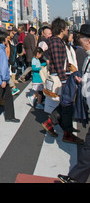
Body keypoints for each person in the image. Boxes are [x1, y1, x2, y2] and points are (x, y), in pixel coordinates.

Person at [42, 17, 83, 145]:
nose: (67, 30)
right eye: (65, 28)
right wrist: (65, 80)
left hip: (63, 76)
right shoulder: (56, 42)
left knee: (65, 104)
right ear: (61, 29)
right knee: (67, 106)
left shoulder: (57, 41)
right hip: (61, 77)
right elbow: (59, 63)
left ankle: (53, 124)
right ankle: (67, 133)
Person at [58, 23, 90, 183]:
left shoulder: (83, 55)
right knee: (88, 148)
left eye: (81, 39)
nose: (78, 41)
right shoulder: (85, 56)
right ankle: (76, 178)